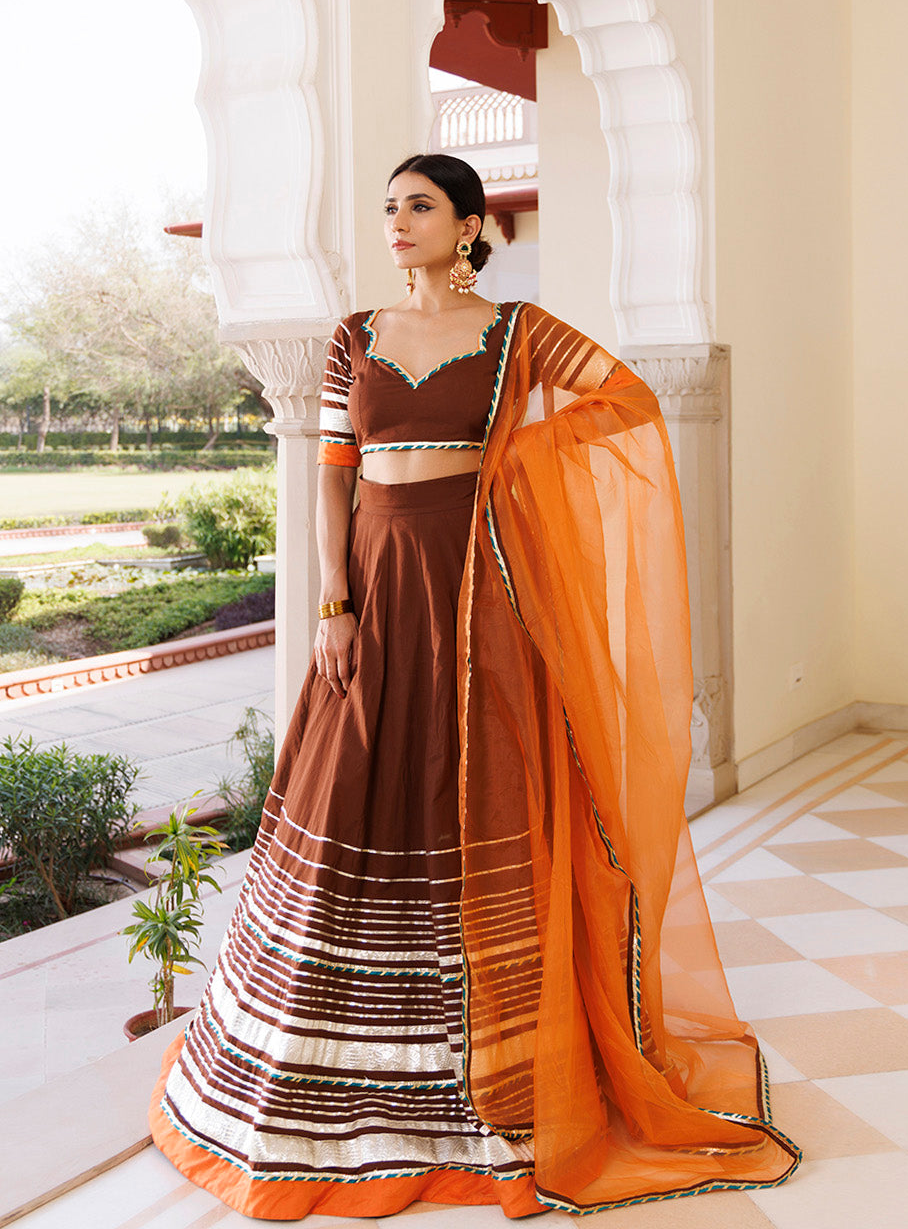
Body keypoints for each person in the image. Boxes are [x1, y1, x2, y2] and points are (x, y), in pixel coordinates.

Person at [149, 153, 801, 1219]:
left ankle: (498, 1073)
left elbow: (628, 398)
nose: (398, 223)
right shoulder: (353, 336)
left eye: (420, 207)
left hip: (478, 590)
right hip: (377, 585)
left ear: (467, 226)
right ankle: (321, 1077)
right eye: (390, 208)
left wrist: (516, 463)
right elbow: (332, 479)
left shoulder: (517, 332)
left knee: (481, 785)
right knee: (352, 785)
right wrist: (333, 604)